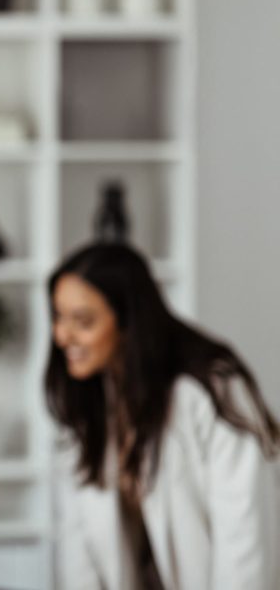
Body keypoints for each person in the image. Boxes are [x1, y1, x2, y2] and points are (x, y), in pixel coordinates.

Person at [48, 242, 280, 589]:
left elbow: (242, 539)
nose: (63, 336)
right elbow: (77, 539)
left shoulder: (211, 389)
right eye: (57, 317)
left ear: (128, 320)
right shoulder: (87, 398)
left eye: (83, 321)